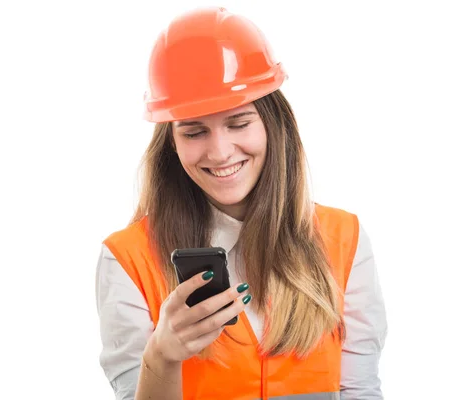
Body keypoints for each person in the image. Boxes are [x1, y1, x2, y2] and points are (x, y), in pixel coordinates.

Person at [95, 6, 387, 400]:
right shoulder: (128, 260)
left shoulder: (344, 240)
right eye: (194, 131)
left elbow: (360, 389)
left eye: (238, 123)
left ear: (273, 123)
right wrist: (161, 357)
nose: (219, 153)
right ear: (172, 143)